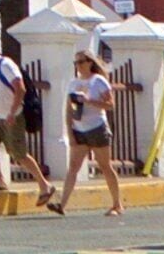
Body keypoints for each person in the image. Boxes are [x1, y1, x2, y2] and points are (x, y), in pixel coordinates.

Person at [49, 51, 125, 217]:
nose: (78, 65)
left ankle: (117, 204)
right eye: (76, 62)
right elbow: (69, 109)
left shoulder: (98, 81)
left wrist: (89, 101)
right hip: (79, 129)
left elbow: (110, 104)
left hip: (97, 127)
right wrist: (70, 132)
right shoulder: (73, 83)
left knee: (105, 166)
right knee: (73, 168)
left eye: (81, 62)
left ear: (90, 63)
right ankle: (62, 204)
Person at [0, 36, 51, 199]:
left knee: (19, 154)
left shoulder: (5, 65)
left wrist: (12, 111)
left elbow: (20, 88)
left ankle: (44, 184)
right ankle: (0, 181)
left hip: (12, 116)